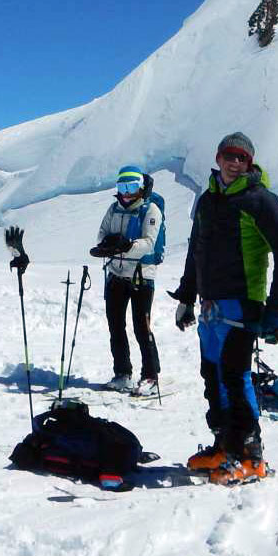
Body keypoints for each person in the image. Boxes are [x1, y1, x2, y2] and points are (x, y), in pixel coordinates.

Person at [171, 132, 278, 485]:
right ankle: (224, 445)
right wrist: (186, 297)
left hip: (244, 304)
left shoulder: (261, 201)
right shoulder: (208, 201)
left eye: (242, 157)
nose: (234, 162)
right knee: (212, 377)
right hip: (210, 305)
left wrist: (275, 310)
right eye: (229, 155)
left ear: (250, 163)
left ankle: (250, 453)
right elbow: (196, 249)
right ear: (218, 157)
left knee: (235, 376)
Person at [88, 166, 163, 395]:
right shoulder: (114, 209)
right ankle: (122, 373)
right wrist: (108, 245)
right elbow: (102, 233)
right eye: (122, 187)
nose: (127, 192)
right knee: (116, 326)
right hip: (116, 274)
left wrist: (127, 246)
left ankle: (150, 375)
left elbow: (149, 243)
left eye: (131, 187)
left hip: (141, 276)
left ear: (140, 187)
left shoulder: (150, 210)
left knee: (142, 327)